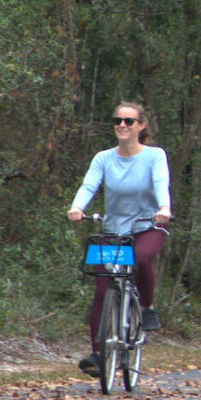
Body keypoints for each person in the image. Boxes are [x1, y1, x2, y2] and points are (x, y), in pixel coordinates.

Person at [66, 100, 172, 378]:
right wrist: (77, 207)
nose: (122, 125)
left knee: (140, 257)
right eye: (118, 121)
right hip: (113, 232)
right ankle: (98, 356)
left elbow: (161, 181)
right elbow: (89, 184)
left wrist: (164, 208)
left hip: (147, 227)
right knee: (101, 291)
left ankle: (147, 308)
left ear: (141, 126)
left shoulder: (154, 155)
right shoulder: (103, 158)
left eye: (128, 121)